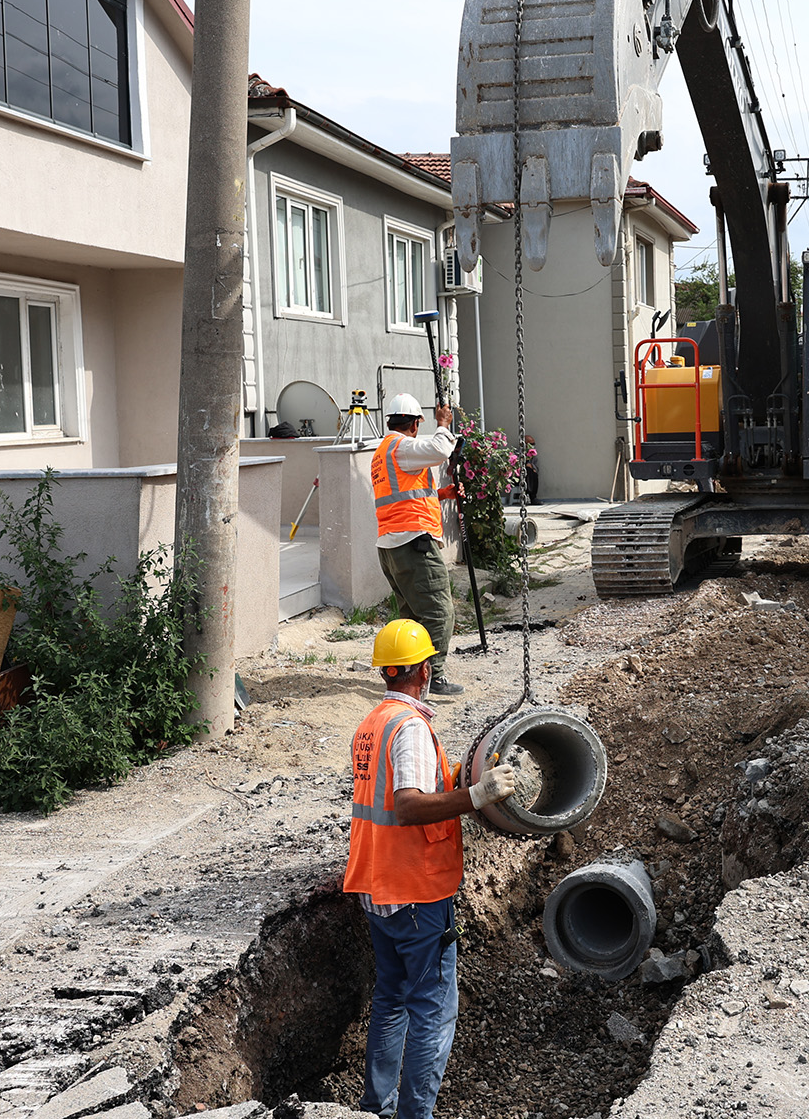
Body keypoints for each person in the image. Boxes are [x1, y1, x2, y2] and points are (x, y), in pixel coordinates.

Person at [346, 618, 519, 1119]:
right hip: (417, 890)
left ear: (385, 672)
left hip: (377, 885)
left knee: (392, 997)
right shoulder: (412, 729)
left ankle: (377, 1106)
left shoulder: (371, 725)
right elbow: (408, 806)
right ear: (424, 669)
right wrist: (478, 794)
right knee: (433, 1011)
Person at [373, 393, 463, 699]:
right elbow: (440, 449)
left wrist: (442, 494)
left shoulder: (382, 452)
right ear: (414, 423)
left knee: (412, 616)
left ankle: (407, 677)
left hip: (391, 544)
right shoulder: (402, 446)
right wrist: (443, 424)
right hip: (413, 542)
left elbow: (406, 495)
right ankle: (431, 677)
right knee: (439, 612)